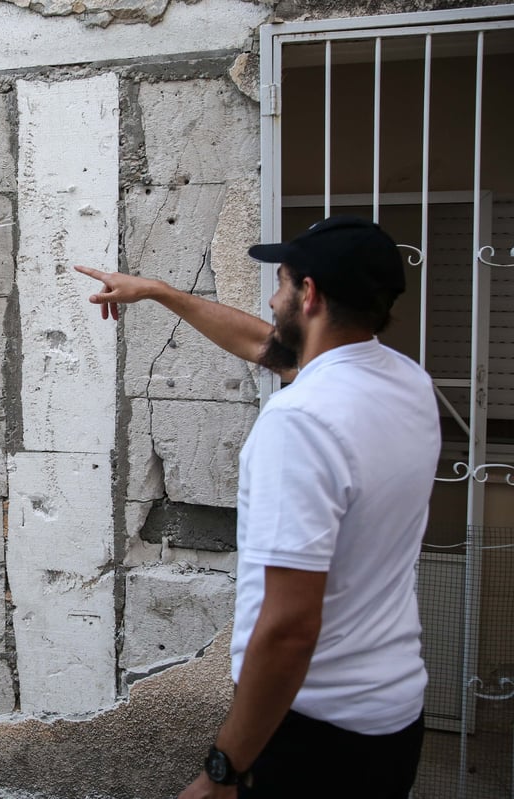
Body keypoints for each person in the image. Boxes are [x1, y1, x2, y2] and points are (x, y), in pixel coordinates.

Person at [76, 216, 440, 798]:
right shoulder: (405, 381)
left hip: (316, 731)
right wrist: (161, 292)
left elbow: (290, 627)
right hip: (392, 717)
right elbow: (263, 346)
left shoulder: (301, 422)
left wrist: (224, 768)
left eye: (282, 283)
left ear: (310, 295)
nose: (273, 299)